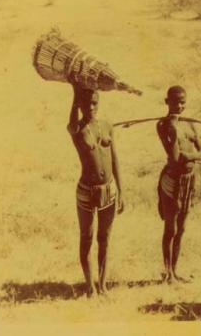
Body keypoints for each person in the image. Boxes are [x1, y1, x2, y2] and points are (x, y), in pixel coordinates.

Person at [67, 82, 124, 297]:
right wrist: (75, 92)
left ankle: (103, 285)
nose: (90, 107)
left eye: (94, 103)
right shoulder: (77, 129)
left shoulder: (107, 126)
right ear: (79, 104)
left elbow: (115, 159)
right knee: (87, 237)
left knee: (105, 239)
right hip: (87, 191)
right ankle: (90, 287)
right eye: (86, 103)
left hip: (108, 189)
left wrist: (121, 191)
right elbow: (72, 122)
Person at [156, 86, 201, 284]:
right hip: (173, 181)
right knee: (171, 228)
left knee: (182, 228)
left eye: (183, 102)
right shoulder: (163, 125)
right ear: (167, 101)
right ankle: (167, 273)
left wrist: (191, 156)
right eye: (175, 102)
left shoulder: (191, 125)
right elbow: (175, 157)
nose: (179, 106)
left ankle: (174, 271)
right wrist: (174, 128)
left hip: (189, 180)